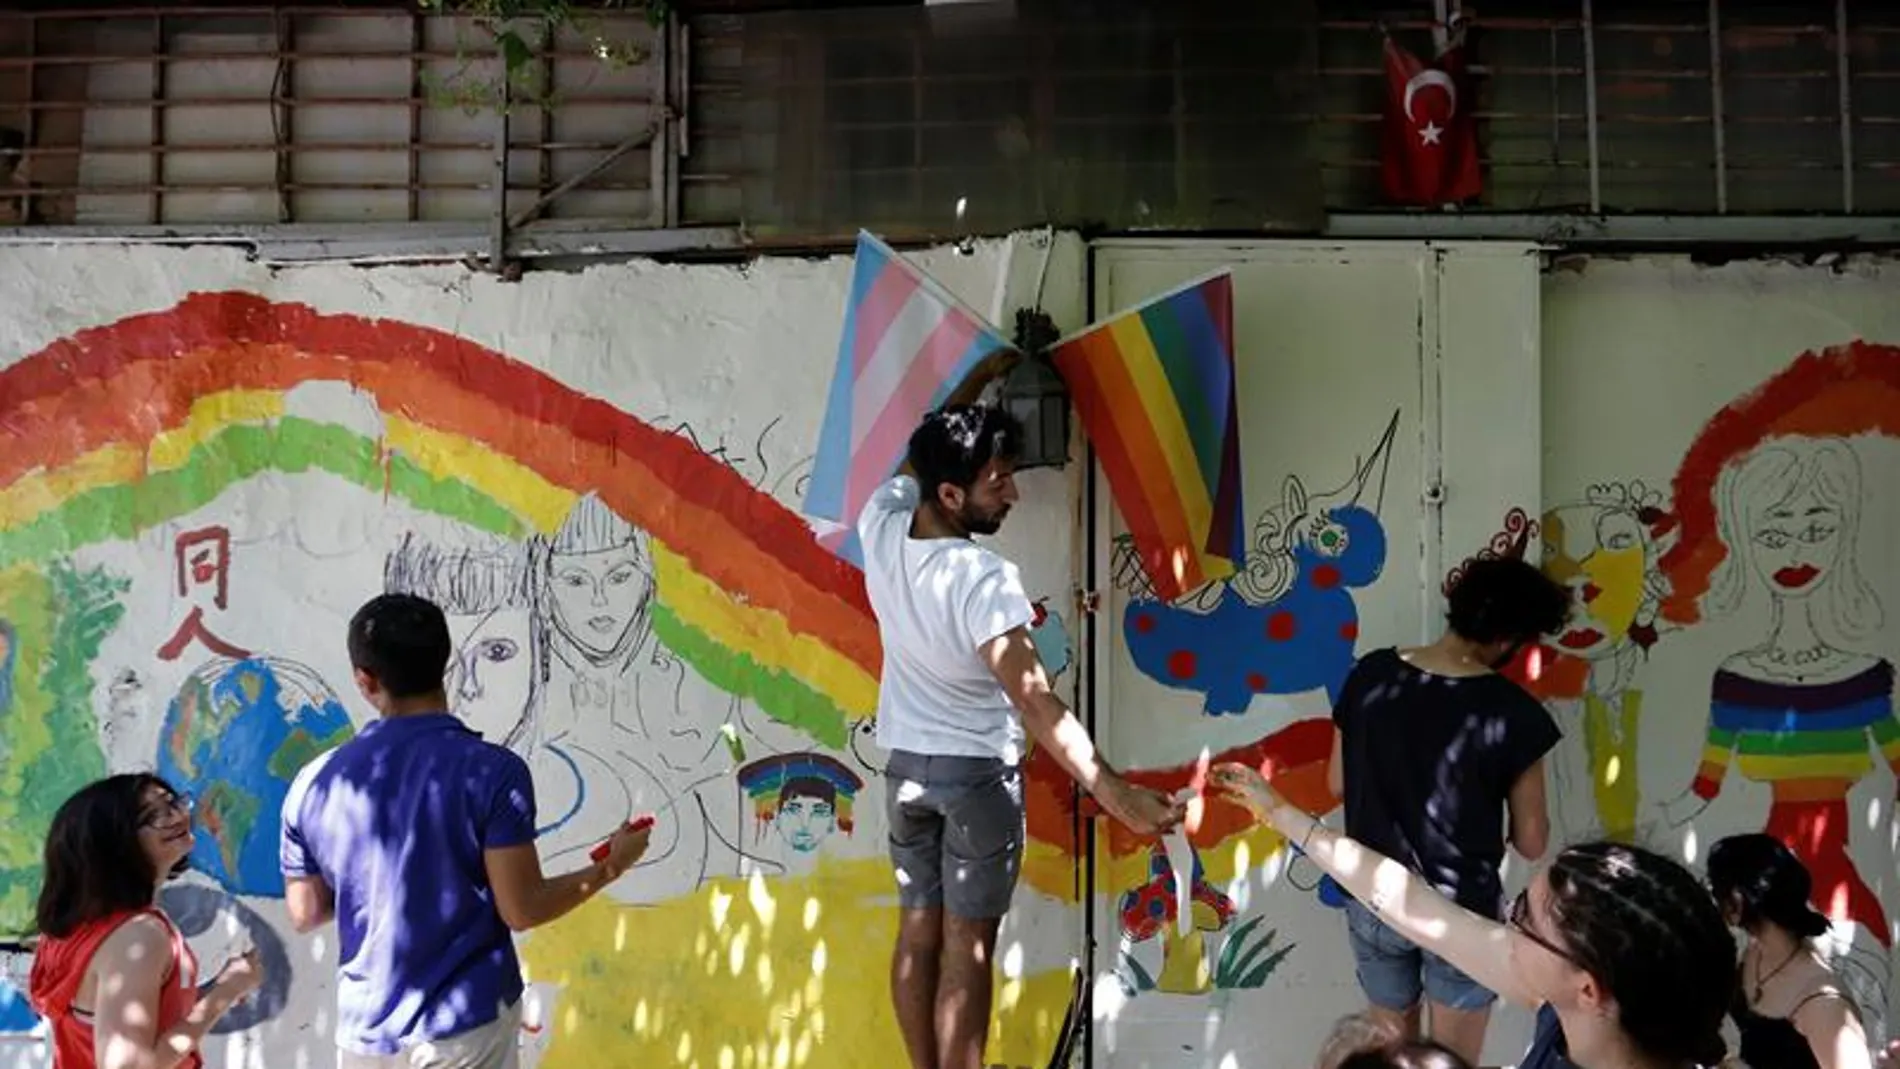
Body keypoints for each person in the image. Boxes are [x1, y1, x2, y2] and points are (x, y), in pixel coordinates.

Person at [860, 404, 1183, 1069]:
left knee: (917, 933)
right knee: (967, 945)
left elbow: (910, 464)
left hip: (906, 774)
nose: (1013, 493)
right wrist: (1116, 793)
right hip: (974, 781)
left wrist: (970, 397)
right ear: (951, 495)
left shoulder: (882, 525)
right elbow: (1035, 700)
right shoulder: (983, 578)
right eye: (997, 481)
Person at [279, 593, 652, 1069]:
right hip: (465, 1030)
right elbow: (522, 908)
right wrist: (611, 866)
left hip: (365, 1036)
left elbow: (306, 911)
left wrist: (372, 882)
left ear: (365, 680)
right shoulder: (491, 772)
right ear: (445, 661)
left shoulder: (314, 782)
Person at [1213, 763, 1737, 1069]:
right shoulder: (1574, 1013)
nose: (1507, 920)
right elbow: (1407, 901)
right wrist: (1281, 814)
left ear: (1588, 989)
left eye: (1525, 917)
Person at [1327, 556, 1570, 1063]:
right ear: (1508, 638)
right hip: (1461, 914)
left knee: (1387, 1060)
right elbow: (1532, 841)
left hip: (1373, 896)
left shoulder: (1370, 675)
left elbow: (1335, 783)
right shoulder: (1515, 713)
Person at [28, 774, 263, 1069]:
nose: (176, 816)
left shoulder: (75, 928)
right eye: (150, 816)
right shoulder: (139, 937)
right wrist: (224, 992)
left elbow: (106, 1018)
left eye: (171, 803)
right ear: (114, 843)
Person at [1707, 833, 1873, 1069]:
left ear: (1737, 901)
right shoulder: (1754, 953)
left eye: (1716, 892)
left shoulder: (1823, 1004)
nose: (1714, 902)